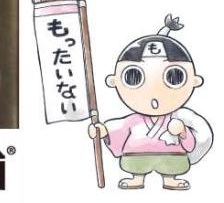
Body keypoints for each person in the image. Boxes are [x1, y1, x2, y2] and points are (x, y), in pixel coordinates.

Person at [88, 14, 213, 190]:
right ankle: (137, 178)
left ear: (194, 81)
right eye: (133, 77)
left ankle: (170, 179)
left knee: (173, 164)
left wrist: (183, 132)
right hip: (136, 156)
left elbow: (189, 144)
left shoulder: (178, 118)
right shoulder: (133, 120)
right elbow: (120, 129)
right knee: (135, 164)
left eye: (174, 77)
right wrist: (103, 130)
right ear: (114, 81)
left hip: (172, 157)